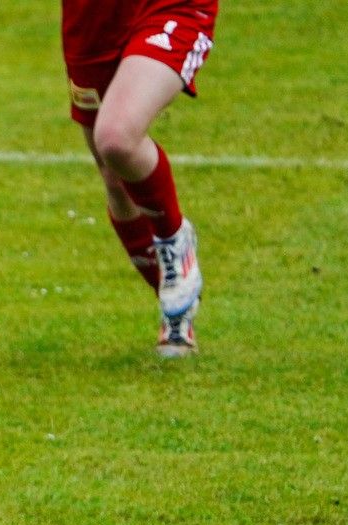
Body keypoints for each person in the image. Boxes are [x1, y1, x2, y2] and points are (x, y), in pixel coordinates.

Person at [63, 0, 215, 355]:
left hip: (168, 7)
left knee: (116, 137)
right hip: (91, 19)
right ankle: (175, 308)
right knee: (115, 179)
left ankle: (174, 240)